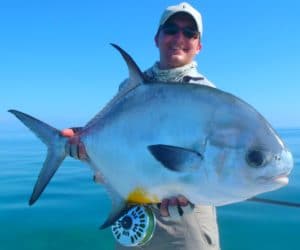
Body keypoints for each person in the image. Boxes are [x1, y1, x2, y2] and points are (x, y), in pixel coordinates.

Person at [62, 2, 220, 250]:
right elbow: (118, 145)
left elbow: (213, 166)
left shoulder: (208, 97)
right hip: (133, 214)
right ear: (156, 38)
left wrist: (194, 195)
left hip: (186, 223)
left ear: (199, 46)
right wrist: (83, 148)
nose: (180, 37)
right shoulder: (131, 87)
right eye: (171, 29)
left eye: (190, 33)